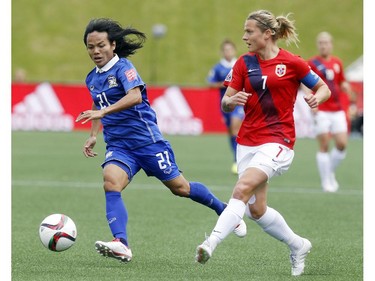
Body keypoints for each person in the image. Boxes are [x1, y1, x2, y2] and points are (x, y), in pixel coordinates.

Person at [75, 18, 246, 263]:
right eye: (91, 47)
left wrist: (103, 112)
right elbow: (97, 101)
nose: (96, 51)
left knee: (181, 188)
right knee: (111, 183)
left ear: (113, 44)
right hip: (119, 146)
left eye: (101, 45)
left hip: (147, 142)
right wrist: (93, 134)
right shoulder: (92, 78)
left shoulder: (124, 68)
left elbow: (134, 96)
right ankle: (121, 243)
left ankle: (225, 210)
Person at [195, 10, 331, 277]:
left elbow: (322, 87)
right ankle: (298, 245)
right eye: (244, 32)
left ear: (267, 34)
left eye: (249, 32)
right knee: (256, 210)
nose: (244, 37)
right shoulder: (244, 63)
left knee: (241, 189)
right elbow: (226, 99)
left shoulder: (293, 63)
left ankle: (209, 243)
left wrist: (319, 99)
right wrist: (230, 101)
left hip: (279, 141)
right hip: (247, 141)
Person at [306, 31, 353, 192]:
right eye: (320, 42)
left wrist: (345, 86)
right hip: (321, 110)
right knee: (324, 144)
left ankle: (329, 172)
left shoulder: (337, 63)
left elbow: (341, 82)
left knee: (341, 144)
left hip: (337, 109)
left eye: (326, 42)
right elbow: (305, 85)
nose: (323, 45)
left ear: (331, 44)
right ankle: (326, 181)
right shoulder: (312, 63)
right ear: (317, 45)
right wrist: (312, 101)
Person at [207, 39, 245, 174]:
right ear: (222, 52)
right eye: (225, 50)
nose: (228, 52)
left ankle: (239, 160)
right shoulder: (218, 68)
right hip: (225, 102)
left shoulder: (240, 64)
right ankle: (236, 158)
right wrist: (227, 84)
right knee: (230, 132)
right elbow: (210, 84)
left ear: (234, 51)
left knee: (235, 129)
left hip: (239, 102)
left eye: (230, 49)